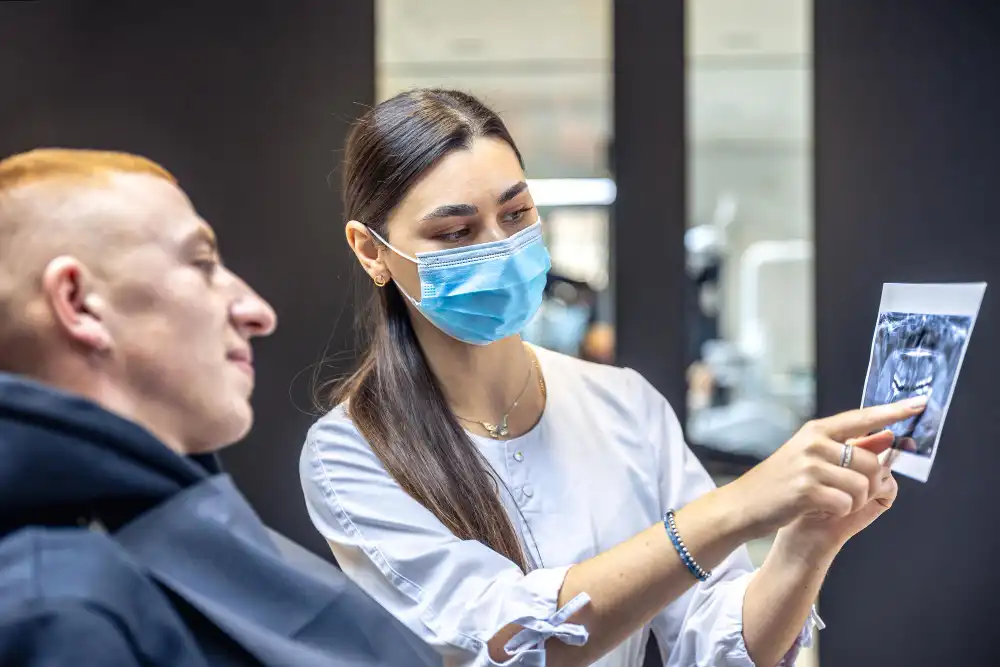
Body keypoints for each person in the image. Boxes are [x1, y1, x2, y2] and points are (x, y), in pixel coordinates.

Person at [299, 89, 927, 667]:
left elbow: (718, 647)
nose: (499, 246)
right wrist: (735, 507)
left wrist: (807, 543)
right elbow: (519, 646)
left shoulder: (623, 404)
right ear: (370, 249)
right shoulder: (351, 453)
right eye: (455, 231)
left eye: (516, 214)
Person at [0, 148, 441, 667]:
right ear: (77, 303)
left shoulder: (113, 555)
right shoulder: (58, 610)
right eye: (203, 264)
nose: (258, 313)